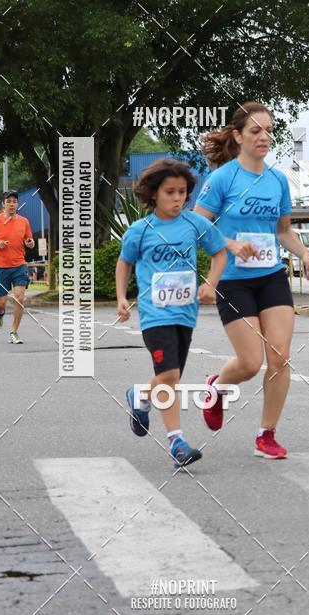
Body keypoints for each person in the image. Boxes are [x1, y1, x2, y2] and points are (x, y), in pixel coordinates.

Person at [193, 101, 309, 459]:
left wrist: (306, 254)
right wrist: (230, 243)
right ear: (237, 136)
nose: (264, 137)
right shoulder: (222, 179)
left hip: (271, 278)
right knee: (250, 364)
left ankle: (267, 434)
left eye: (268, 131)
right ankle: (216, 387)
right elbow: (197, 225)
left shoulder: (278, 180)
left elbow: (283, 231)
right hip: (234, 281)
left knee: (280, 357)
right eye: (255, 131)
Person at [116, 158, 227, 468]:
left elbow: (219, 252)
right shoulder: (141, 230)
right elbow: (125, 262)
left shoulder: (194, 224)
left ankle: (141, 394)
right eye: (170, 192)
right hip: (155, 314)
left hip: (185, 314)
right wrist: (122, 297)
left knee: (169, 379)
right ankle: (176, 442)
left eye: (182, 192)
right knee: (170, 376)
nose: (177, 198)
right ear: (154, 194)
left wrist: (210, 283)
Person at [0, 190, 34, 344]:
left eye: (14, 201)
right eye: (9, 201)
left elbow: (29, 240)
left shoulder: (24, 221)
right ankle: (0, 315)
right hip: (1, 266)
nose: (12, 204)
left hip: (19, 264)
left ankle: (14, 332)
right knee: (1, 303)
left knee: (20, 298)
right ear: (4, 204)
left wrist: (30, 243)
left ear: (17, 204)